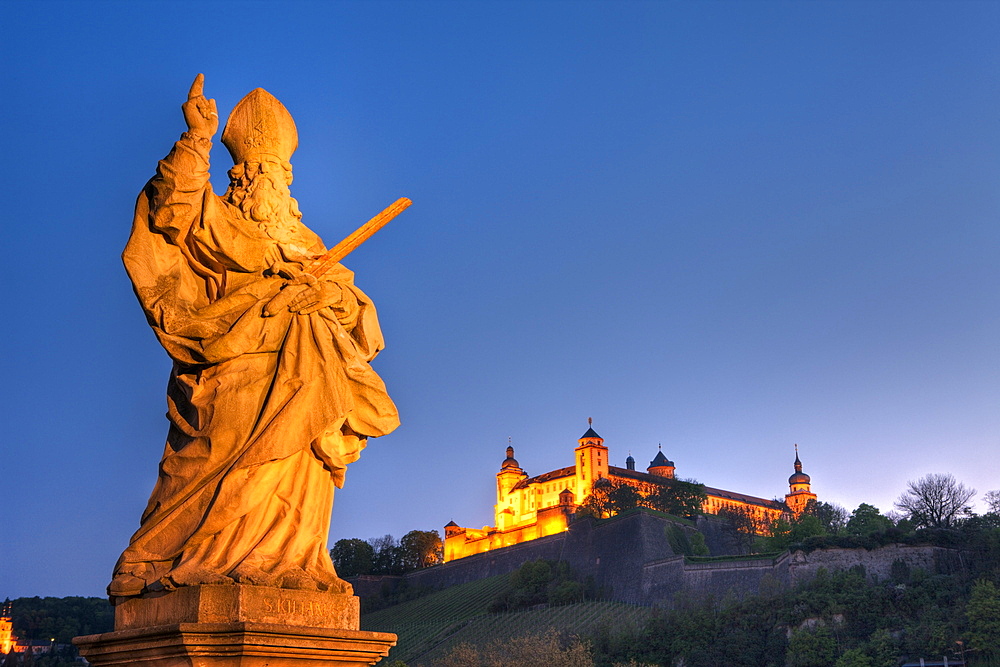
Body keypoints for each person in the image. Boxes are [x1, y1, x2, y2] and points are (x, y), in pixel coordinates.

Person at [109, 75, 400, 599]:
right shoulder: (215, 221)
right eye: (256, 170)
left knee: (297, 460)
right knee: (206, 460)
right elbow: (171, 205)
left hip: (305, 376)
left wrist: (326, 299)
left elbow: (356, 310)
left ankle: (289, 564)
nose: (269, 181)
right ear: (237, 176)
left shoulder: (306, 242)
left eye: (278, 172)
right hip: (232, 372)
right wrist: (197, 138)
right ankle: (159, 556)